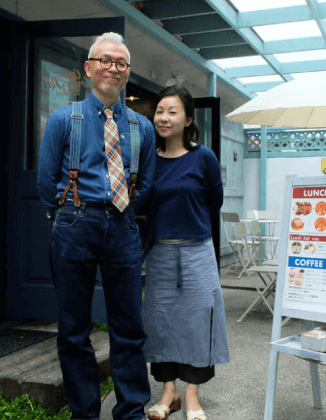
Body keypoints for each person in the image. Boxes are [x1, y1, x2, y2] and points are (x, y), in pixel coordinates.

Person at [37, 32, 155, 420]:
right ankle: (84, 413)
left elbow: (148, 183)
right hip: (75, 221)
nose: (113, 68)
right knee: (73, 328)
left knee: (129, 326)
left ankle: (131, 411)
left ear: (127, 73)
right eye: (105, 60)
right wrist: (71, 211)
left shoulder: (142, 127)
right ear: (88, 69)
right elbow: (45, 182)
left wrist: (120, 206)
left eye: (121, 63)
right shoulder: (62, 119)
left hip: (123, 225)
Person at [142, 86, 229, 420]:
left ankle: (192, 397)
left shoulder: (203, 157)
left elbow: (213, 202)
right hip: (161, 253)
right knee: (161, 322)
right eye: (160, 110)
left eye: (173, 111)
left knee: (197, 320)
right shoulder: (148, 161)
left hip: (196, 252)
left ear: (189, 119)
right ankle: (168, 393)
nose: (164, 117)